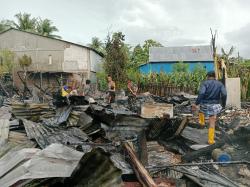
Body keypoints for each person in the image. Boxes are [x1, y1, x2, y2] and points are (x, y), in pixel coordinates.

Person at [193, 71, 227, 145]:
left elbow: (201, 93)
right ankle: (211, 140)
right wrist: (223, 104)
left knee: (200, 108)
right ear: (215, 76)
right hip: (215, 105)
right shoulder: (220, 84)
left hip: (204, 105)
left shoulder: (204, 83)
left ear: (208, 76)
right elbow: (224, 94)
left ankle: (201, 122)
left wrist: (197, 103)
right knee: (212, 122)